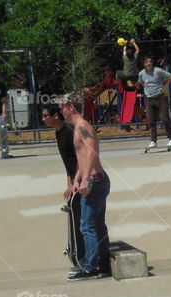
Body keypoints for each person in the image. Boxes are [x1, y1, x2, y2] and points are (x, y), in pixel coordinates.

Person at [61, 93, 111, 280]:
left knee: (87, 226)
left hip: (95, 181)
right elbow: (81, 158)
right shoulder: (77, 128)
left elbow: (92, 151)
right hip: (94, 180)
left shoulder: (83, 126)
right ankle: (103, 264)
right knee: (97, 224)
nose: (61, 111)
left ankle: (91, 266)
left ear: (71, 107)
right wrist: (76, 180)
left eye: (63, 107)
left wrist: (86, 179)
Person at [41, 103, 84, 268]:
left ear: (55, 116)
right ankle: (77, 257)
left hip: (83, 181)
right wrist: (69, 185)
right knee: (74, 218)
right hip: (74, 181)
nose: (43, 119)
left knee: (84, 222)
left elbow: (81, 158)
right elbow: (68, 163)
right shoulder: (58, 133)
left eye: (46, 116)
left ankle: (84, 259)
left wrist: (76, 183)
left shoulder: (69, 132)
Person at [138, 56, 171, 150]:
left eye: (150, 62)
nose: (148, 63)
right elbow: (141, 83)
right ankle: (153, 141)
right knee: (151, 121)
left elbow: (170, 77)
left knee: (165, 118)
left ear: (152, 63)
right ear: (144, 64)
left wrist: (164, 84)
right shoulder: (141, 73)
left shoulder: (158, 71)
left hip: (160, 97)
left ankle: (170, 138)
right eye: (146, 62)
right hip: (149, 99)